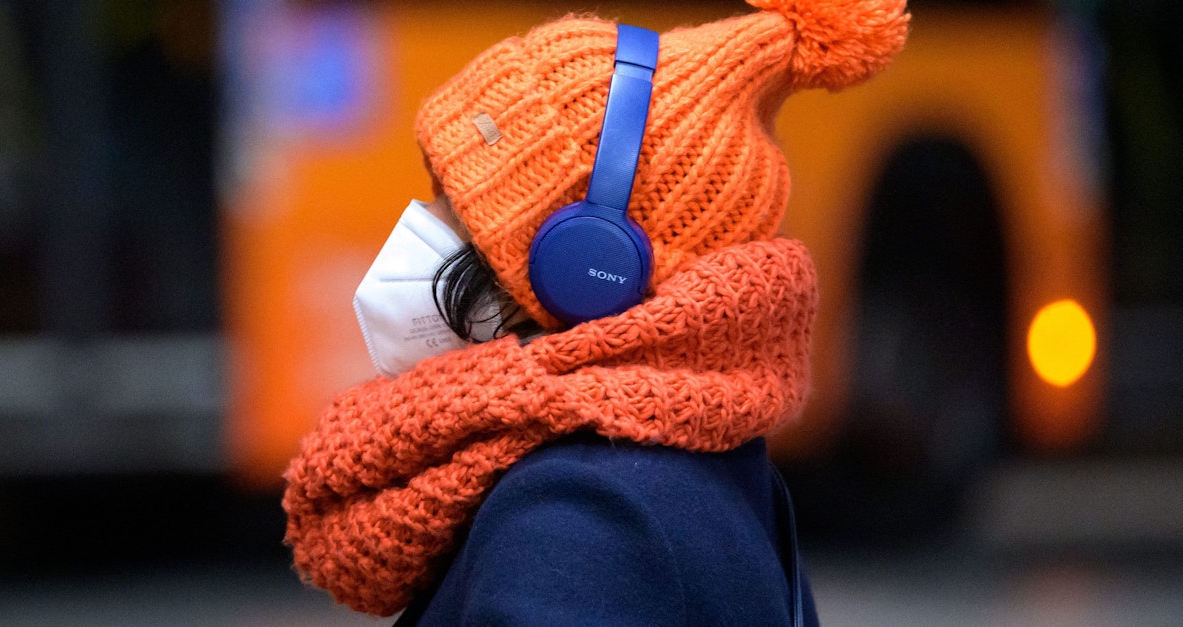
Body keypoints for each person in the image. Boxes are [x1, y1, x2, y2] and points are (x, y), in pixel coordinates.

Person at [281, 0, 910, 624]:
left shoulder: (580, 526)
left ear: (587, 269)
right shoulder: (704, 473)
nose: (420, 227)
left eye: (456, 206)